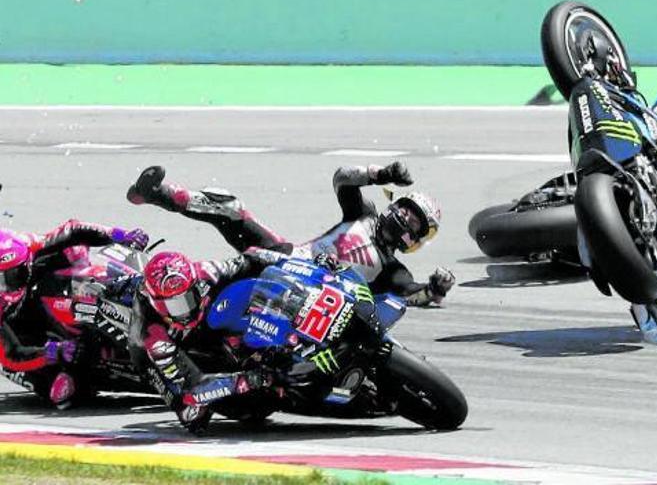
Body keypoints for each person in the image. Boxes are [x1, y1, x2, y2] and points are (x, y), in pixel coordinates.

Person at [125, 162, 455, 306]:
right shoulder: (363, 215)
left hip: (305, 302)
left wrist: (435, 289)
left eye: (414, 220)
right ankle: (155, 193)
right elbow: (342, 178)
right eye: (406, 208)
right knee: (231, 208)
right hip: (285, 257)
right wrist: (380, 173)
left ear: (416, 239)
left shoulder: (393, 271)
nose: (404, 216)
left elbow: (413, 295)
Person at [123, 247, 287, 433]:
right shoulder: (152, 334)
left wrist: (291, 263)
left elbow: (252, 259)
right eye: (176, 306)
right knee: (192, 415)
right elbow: (195, 387)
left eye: (189, 298)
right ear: (159, 305)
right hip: (150, 352)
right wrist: (247, 380)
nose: (185, 311)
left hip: (201, 317)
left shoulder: (207, 272)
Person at [0, 221, 148, 408]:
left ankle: (126, 291)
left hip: (44, 289)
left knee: (75, 251)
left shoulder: (27, 245)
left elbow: (73, 230)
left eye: (11, 277)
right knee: (57, 389)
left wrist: (120, 235)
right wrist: (52, 352)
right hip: (19, 331)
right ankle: (57, 377)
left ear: (26, 262)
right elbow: (11, 355)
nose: (4, 289)